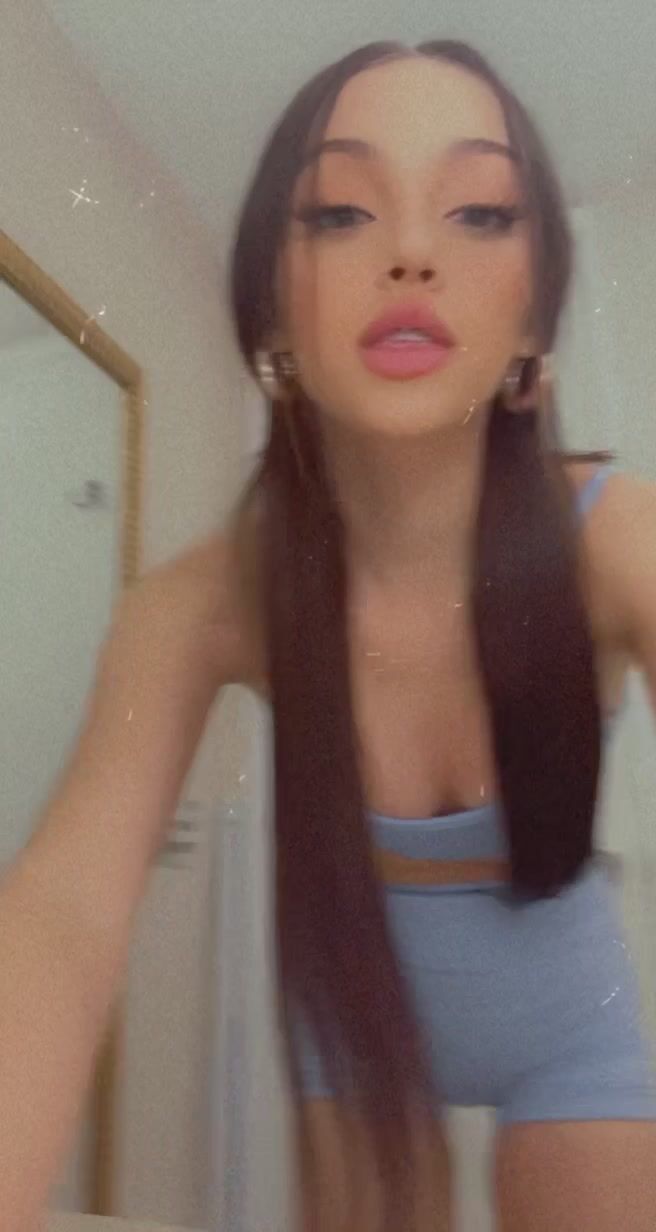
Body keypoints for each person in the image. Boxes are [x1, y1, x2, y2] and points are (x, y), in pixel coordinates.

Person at [2, 37, 656, 1232]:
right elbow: (64, 910)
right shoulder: (198, 604)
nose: (410, 251)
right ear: (272, 310)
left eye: (478, 211)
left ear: (532, 321)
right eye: (341, 210)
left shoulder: (617, 540)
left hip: (571, 1033)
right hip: (354, 1035)